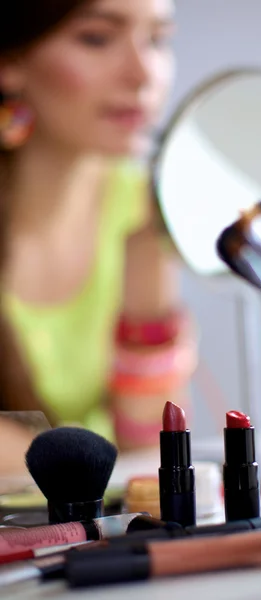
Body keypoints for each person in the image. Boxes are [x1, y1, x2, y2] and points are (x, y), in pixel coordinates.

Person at [0, 0, 197, 474]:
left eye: (158, 40)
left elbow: (149, 452)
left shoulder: (140, 207)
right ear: (10, 62)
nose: (143, 73)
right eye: (96, 38)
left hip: (101, 526)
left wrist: (150, 269)